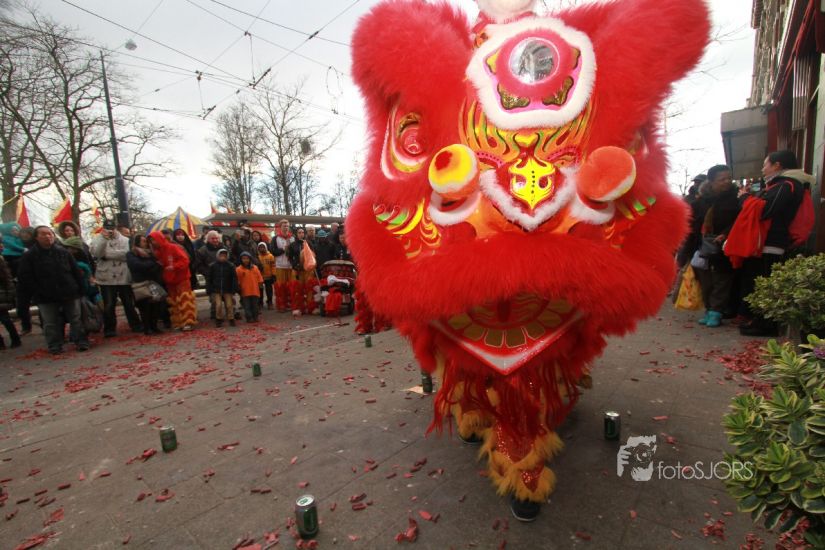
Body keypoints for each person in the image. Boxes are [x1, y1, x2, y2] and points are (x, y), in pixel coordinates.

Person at [738, 150, 814, 336]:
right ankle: (759, 320)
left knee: (764, 282)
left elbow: (766, 210)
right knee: (760, 281)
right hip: (770, 240)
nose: (763, 169)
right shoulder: (784, 185)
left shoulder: (786, 185)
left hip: (772, 241)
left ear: (777, 165)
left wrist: (745, 199)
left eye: (766, 164)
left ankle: (766, 325)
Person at [16, 226, 89, 354]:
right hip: (45, 295)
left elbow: (75, 271)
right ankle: (54, 345)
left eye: (50, 234)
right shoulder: (29, 255)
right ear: (36, 237)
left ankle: (81, 341)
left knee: (75, 318)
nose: (47, 236)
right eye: (43, 234)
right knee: (50, 322)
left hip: (69, 291)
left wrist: (81, 289)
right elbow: (25, 277)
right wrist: (37, 291)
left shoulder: (63, 252)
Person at [693, 165, 740, 328]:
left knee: (722, 280)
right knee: (705, 281)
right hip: (703, 247)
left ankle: (716, 312)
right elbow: (692, 226)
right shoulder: (701, 201)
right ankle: (708, 309)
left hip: (726, 246)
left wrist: (726, 234)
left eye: (729, 178)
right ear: (711, 181)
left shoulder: (736, 199)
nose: (727, 182)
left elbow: (739, 221)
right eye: (722, 179)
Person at [91, 221, 142, 337]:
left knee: (128, 303)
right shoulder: (97, 239)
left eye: (112, 228)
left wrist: (107, 255)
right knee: (109, 304)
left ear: (115, 228)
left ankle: (135, 325)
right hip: (106, 278)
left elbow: (126, 255)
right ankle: (109, 329)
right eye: (107, 228)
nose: (110, 230)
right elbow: (97, 254)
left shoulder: (125, 240)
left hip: (123, 276)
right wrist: (104, 241)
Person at [149, 231, 197, 331]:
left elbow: (185, 260)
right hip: (170, 280)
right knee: (174, 302)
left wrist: (174, 266)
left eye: (153, 240)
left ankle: (188, 322)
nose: (153, 242)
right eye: (151, 241)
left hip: (182, 278)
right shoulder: (157, 252)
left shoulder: (173, 247)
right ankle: (178, 322)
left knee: (185, 300)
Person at [126, 235, 165, 335]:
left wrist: (151, 265)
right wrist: (151, 264)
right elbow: (136, 265)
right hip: (141, 283)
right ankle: (147, 328)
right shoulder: (131, 254)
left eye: (146, 241)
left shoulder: (151, 253)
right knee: (145, 307)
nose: (146, 243)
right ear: (137, 242)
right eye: (143, 241)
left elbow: (158, 265)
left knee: (155, 305)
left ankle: (154, 326)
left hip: (153, 281)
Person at [206, 248, 238, 327]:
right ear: (218, 256)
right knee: (218, 305)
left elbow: (234, 278)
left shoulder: (230, 266)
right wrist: (209, 289)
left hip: (228, 289)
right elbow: (209, 278)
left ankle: (231, 318)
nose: (223, 257)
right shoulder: (213, 266)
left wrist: (234, 288)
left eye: (224, 256)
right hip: (216, 289)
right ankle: (218, 319)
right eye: (221, 256)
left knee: (229, 305)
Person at [196, 230, 224, 319]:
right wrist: (207, 272)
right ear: (208, 239)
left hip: (224, 275)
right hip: (211, 277)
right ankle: (214, 313)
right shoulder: (202, 250)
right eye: (212, 238)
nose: (215, 240)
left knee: (228, 297)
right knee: (214, 298)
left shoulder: (224, 248)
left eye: (216, 238)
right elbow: (198, 265)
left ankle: (231, 312)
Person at [0, 237, 21, 349]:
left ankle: (15, 338)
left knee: (5, 319)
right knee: (5, 318)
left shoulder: (1, 260)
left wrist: (9, 294)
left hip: (2, 293)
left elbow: (7, 278)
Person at [270, 219, 294, 312]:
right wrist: (283, 249)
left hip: (290, 266)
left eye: (287, 226)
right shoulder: (275, 238)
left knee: (291, 286)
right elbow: (273, 251)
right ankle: (281, 305)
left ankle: (291, 304)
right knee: (281, 287)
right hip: (280, 266)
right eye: (284, 226)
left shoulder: (292, 238)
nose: (286, 228)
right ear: (280, 227)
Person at [236, 251, 263, 322]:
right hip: (245, 291)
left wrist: (260, 284)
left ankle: (255, 317)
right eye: (243, 258)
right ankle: (249, 318)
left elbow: (259, 277)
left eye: (247, 258)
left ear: (250, 259)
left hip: (255, 290)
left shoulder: (255, 268)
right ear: (241, 260)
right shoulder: (238, 269)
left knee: (255, 305)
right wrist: (238, 288)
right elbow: (237, 280)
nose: (245, 260)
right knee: (247, 306)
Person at [257, 242, 276, 309]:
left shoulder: (270, 256)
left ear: (266, 248)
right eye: (260, 247)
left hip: (268, 276)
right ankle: (260, 302)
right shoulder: (257, 257)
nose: (262, 249)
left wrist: (273, 274)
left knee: (269, 290)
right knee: (260, 290)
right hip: (260, 277)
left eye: (263, 247)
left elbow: (273, 266)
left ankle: (270, 302)